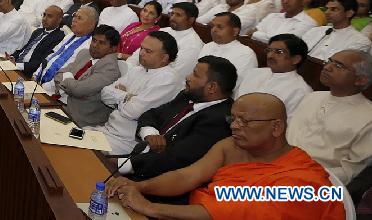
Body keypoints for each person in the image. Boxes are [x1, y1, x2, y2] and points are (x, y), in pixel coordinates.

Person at [106, 94, 345, 219]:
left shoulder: (302, 181)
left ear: (277, 127)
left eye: (245, 121)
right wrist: (139, 186)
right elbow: (187, 176)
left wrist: (152, 208)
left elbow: (226, 212)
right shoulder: (232, 146)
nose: (235, 126)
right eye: (233, 119)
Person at [121, 56, 237, 181]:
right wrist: (150, 134)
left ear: (212, 87)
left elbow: (175, 160)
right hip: (137, 159)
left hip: (156, 181)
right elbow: (150, 114)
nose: (188, 77)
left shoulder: (218, 122)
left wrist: (124, 165)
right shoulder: (187, 95)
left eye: (195, 75)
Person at [287, 49, 372, 184]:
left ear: (360, 80)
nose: (326, 67)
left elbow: (351, 172)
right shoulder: (313, 97)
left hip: (313, 182)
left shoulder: (368, 118)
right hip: (275, 165)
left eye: (338, 66)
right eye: (329, 61)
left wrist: (300, 175)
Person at [91, 31, 182, 154]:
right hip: (109, 129)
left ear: (164, 58)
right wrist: (127, 97)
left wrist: (119, 95)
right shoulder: (137, 70)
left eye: (148, 51)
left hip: (127, 141)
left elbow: (132, 111)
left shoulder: (168, 79)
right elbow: (105, 93)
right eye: (141, 48)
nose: (141, 53)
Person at [58, 25, 123, 127]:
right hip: (60, 104)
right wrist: (69, 81)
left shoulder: (110, 68)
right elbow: (58, 74)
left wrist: (68, 77)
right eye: (94, 40)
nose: (95, 45)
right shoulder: (85, 53)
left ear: (113, 48)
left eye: (101, 43)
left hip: (79, 119)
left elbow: (78, 90)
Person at [236, 34, 311, 117]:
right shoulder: (255, 73)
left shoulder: (300, 91)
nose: (270, 56)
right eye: (269, 50)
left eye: (279, 52)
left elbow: (290, 124)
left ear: (295, 59)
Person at [127, 2, 205, 80]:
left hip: (161, 83)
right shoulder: (163, 30)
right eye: (172, 14)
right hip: (137, 75)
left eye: (178, 15)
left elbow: (174, 74)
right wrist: (129, 72)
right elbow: (137, 55)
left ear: (191, 20)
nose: (172, 18)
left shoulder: (193, 45)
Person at [34, 6, 98, 93]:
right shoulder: (69, 36)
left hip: (57, 91)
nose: (74, 19)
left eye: (79, 18)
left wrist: (44, 87)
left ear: (91, 24)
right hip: (39, 83)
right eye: (74, 16)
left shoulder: (90, 47)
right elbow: (51, 56)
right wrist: (36, 74)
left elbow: (72, 73)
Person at [301, 0, 371, 61]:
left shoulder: (360, 41)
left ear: (349, 13)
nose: (327, 12)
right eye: (326, 9)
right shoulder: (315, 30)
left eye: (334, 9)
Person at [199, 13, 258, 86]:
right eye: (212, 26)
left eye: (220, 27)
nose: (214, 30)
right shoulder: (207, 46)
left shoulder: (246, 54)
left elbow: (235, 86)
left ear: (235, 31)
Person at [10, 6, 67, 77]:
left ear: (59, 20)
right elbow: (23, 49)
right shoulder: (38, 31)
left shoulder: (59, 37)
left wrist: (17, 65)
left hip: (27, 73)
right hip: (15, 66)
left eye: (49, 16)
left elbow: (41, 62)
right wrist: (12, 57)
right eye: (44, 15)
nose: (44, 19)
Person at [250, 0, 317, 43]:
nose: (285, 2)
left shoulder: (308, 23)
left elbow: (282, 43)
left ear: (302, 1)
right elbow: (251, 32)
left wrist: (256, 35)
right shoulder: (272, 16)